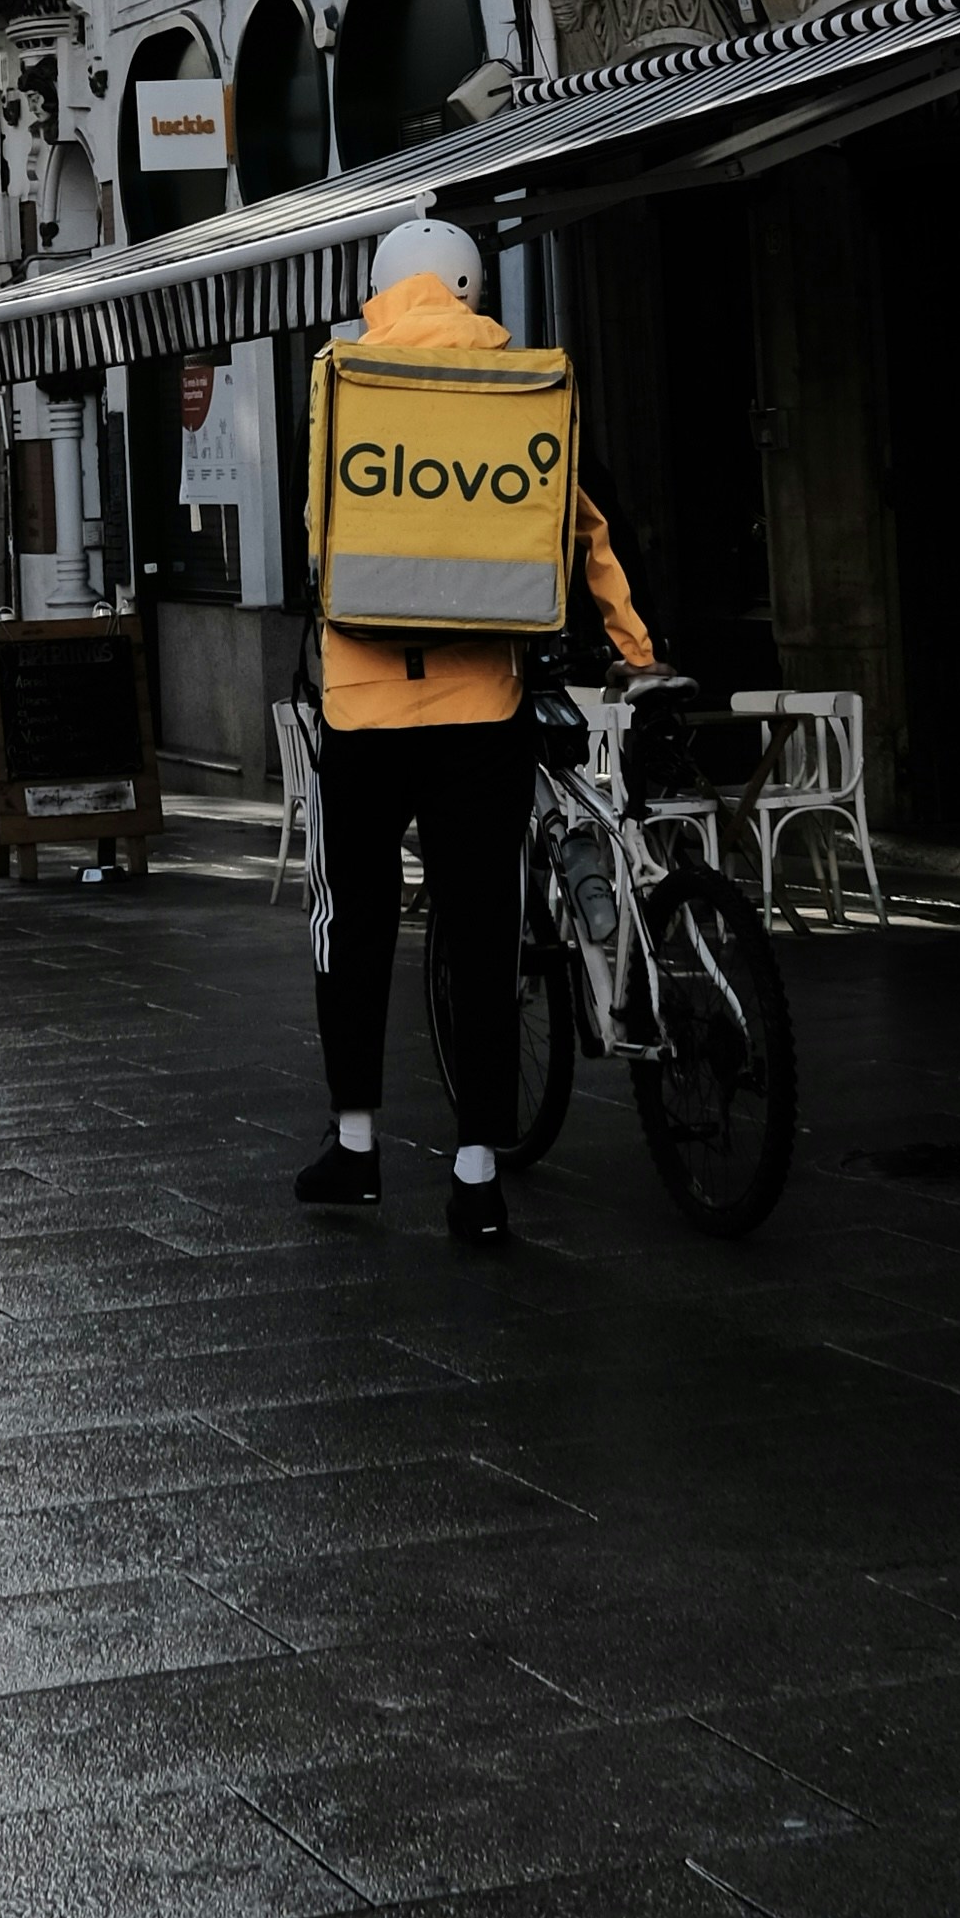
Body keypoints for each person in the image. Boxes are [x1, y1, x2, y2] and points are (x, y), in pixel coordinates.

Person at [293, 222, 655, 1247]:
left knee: (348, 922)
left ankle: (355, 1146)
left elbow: (320, 529)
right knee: (482, 929)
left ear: (379, 286)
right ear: (467, 286)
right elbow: (580, 525)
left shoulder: (342, 375)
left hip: (364, 706)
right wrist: (633, 642)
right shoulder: (517, 386)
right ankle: (478, 1172)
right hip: (479, 708)